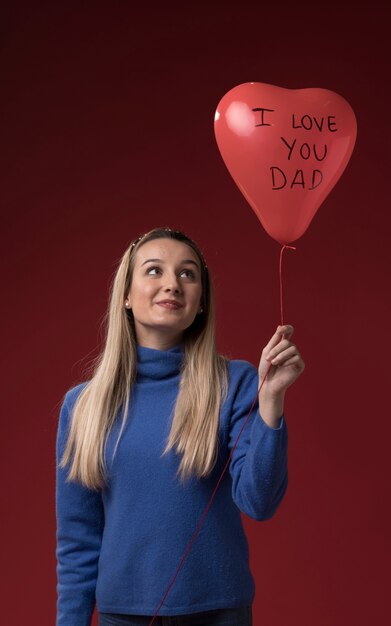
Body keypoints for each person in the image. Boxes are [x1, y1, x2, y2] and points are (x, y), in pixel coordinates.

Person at [55, 227, 305, 626]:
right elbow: (77, 541)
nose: (172, 283)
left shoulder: (235, 383)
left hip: (220, 613)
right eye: (154, 271)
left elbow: (259, 502)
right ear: (125, 295)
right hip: (124, 616)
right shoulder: (83, 406)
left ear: (201, 302)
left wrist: (271, 401)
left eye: (188, 274)